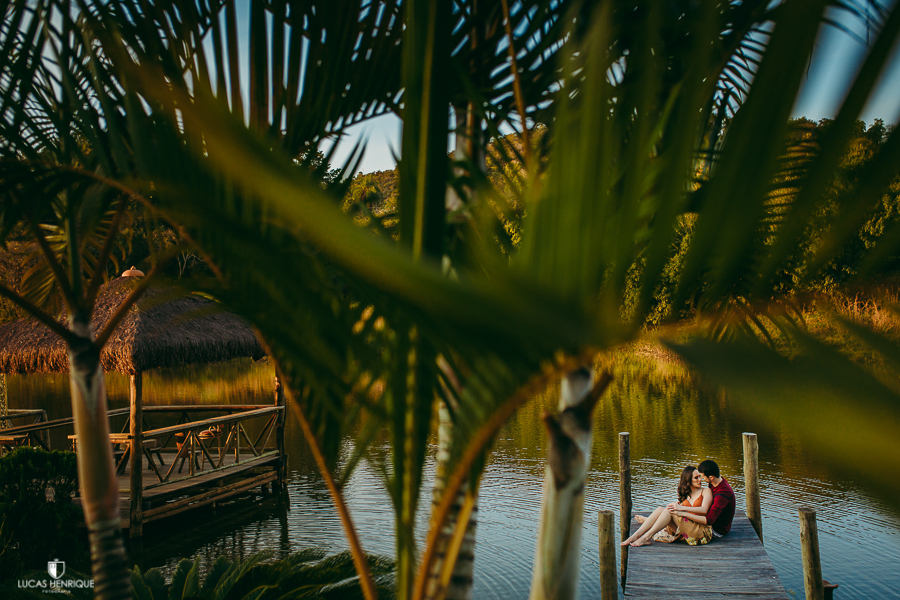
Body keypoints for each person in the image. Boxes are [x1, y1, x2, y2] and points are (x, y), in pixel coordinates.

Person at [620, 465, 714, 547]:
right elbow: (677, 516)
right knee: (661, 509)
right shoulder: (686, 495)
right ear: (688, 480)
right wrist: (678, 508)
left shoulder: (705, 491)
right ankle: (635, 536)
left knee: (669, 511)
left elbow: (704, 510)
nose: (700, 480)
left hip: (701, 532)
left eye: (699, 477)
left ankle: (646, 537)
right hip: (687, 527)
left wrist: (681, 508)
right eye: (696, 478)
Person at [672, 459, 736, 538]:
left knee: (670, 513)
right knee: (666, 510)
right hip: (708, 523)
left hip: (716, 530)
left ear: (711, 477)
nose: (701, 478)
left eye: (702, 476)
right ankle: (651, 532)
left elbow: (709, 520)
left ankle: (651, 533)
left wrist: (684, 513)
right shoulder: (716, 483)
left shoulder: (722, 493)